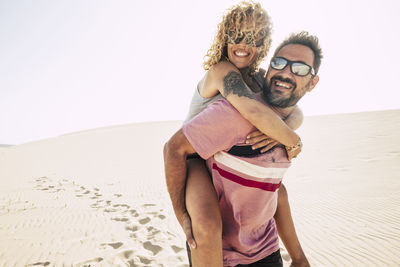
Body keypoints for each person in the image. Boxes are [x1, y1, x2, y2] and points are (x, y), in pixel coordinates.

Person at [164, 29, 322, 266]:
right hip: (221, 254)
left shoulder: (286, 122)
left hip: (266, 250)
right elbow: (173, 150)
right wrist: (182, 215)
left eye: (300, 68)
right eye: (280, 63)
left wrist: (298, 257)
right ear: (269, 69)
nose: (286, 72)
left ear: (312, 83)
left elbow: (275, 190)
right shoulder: (236, 111)